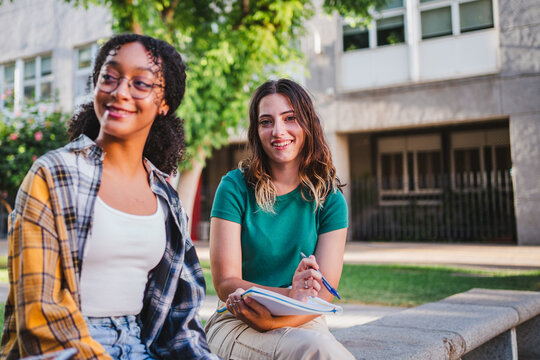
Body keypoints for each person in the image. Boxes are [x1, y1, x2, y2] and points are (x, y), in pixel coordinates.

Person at [1, 34, 218, 360]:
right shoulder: (53, 174)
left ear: (164, 104)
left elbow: (179, 320)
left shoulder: (166, 198)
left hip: (139, 344)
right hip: (67, 348)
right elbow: (38, 310)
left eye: (140, 83)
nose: (120, 92)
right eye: (109, 77)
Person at [205, 79, 354, 359]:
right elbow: (226, 283)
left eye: (290, 118)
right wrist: (289, 295)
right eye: (266, 121)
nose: (278, 131)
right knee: (318, 352)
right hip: (237, 321)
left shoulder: (330, 199)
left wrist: (274, 320)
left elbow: (323, 295)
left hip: (304, 319)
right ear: (256, 130)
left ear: (307, 124)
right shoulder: (234, 187)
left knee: (321, 350)